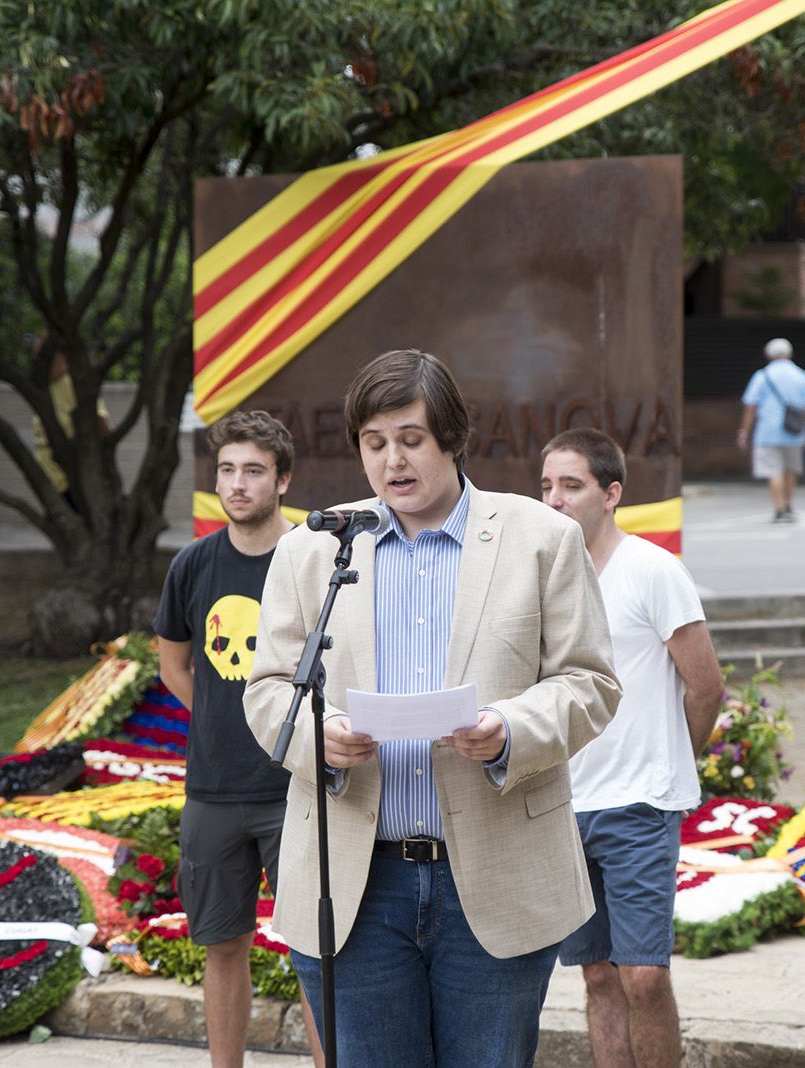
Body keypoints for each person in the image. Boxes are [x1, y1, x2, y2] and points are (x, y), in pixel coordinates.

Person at [244, 348, 620, 1067]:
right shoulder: (313, 548)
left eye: (411, 440)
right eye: (375, 443)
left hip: (496, 872)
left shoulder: (541, 538)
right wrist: (318, 741)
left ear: (452, 437)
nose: (393, 462)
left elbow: (589, 681)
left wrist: (510, 729)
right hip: (357, 882)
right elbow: (267, 691)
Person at [539, 428, 724, 1068]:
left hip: (640, 804)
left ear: (611, 493)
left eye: (571, 485)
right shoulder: (545, 579)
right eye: (546, 487)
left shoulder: (653, 570)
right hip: (565, 806)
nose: (554, 500)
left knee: (643, 976)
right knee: (595, 975)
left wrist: (671, 762)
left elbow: (705, 687)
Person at [152, 410, 323, 1068]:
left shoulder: (311, 561)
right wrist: (223, 714)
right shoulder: (193, 564)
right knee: (222, 946)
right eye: (227, 470)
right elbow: (173, 661)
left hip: (294, 789)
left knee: (314, 949)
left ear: (282, 479)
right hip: (213, 791)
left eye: (253, 470)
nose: (237, 483)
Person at [736, 337, 805, 522]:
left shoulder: (762, 376)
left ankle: (779, 509)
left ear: (769, 355)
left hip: (767, 432)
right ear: (789, 354)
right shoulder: (802, 376)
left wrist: (744, 432)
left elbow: (750, 406)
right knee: (790, 470)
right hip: (794, 431)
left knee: (773, 471)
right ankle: (788, 505)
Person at [29, 335, 111, 513]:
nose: (40, 362)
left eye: (46, 357)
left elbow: (101, 423)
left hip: (71, 480)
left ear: (62, 357)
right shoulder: (43, 388)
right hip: (50, 480)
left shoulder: (72, 384)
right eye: (36, 356)